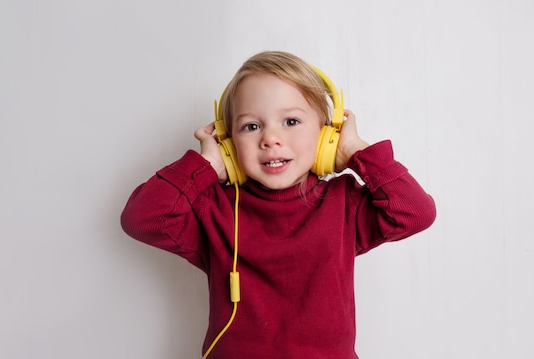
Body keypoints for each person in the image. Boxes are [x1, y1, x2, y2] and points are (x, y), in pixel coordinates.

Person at [120, 51, 436, 359]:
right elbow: (141, 218)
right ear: (229, 144)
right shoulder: (213, 210)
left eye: (291, 121)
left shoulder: (345, 204)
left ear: (327, 135)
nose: (271, 138)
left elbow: (415, 213)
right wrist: (205, 165)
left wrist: (356, 151)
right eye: (251, 126)